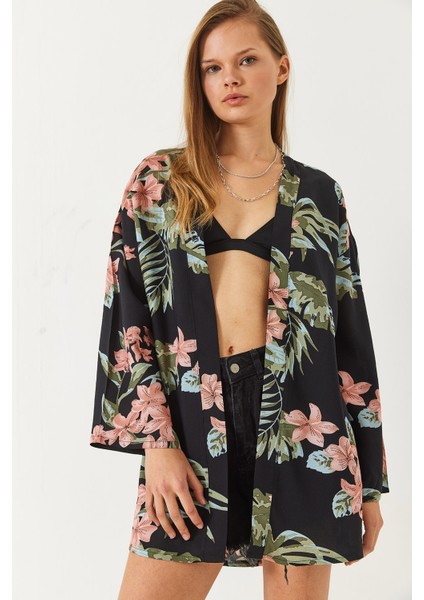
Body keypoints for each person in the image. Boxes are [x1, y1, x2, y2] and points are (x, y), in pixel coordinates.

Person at [89, 1, 389, 598]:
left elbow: (351, 341)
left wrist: (372, 485)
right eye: (213, 67)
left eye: (247, 60)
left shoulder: (321, 196)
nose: (229, 78)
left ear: (281, 67)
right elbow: (128, 319)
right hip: (193, 420)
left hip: (305, 428)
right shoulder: (160, 182)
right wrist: (158, 446)